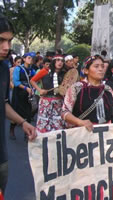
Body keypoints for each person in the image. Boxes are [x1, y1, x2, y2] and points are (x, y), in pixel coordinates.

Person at [0, 14, 36, 195]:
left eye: (9, 41)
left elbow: (3, 103)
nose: (6, 47)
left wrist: (22, 122)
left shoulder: (4, 68)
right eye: (0, 40)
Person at [61, 55, 113, 131]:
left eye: (102, 66)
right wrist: (80, 122)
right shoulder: (76, 88)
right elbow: (65, 112)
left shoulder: (107, 89)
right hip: (83, 135)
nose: (101, 69)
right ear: (86, 70)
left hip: (104, 134)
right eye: (96, 66)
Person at [30, 55, 67, 133]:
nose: (60, 62)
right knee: (44, 125)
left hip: (59, 102)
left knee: (58, 125)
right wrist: (39, 90)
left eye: (61, 61)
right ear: (53, 62)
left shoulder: (64, 74)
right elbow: (32, 81)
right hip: (45, 102)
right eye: (57, 60)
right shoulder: (45, 71)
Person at [10, 52, 36, 140]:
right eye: (29, 58)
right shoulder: (18, 69)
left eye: (32, 58)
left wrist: (33, 89)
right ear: (24, 59)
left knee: (28, 114)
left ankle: (27, 133)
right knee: (16, 112)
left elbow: (34, 81)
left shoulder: (32, 70)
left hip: (28, 95)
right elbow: (16, 82)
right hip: (18, 94)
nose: (30, 60)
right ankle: (11, 130)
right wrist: (26, 88)